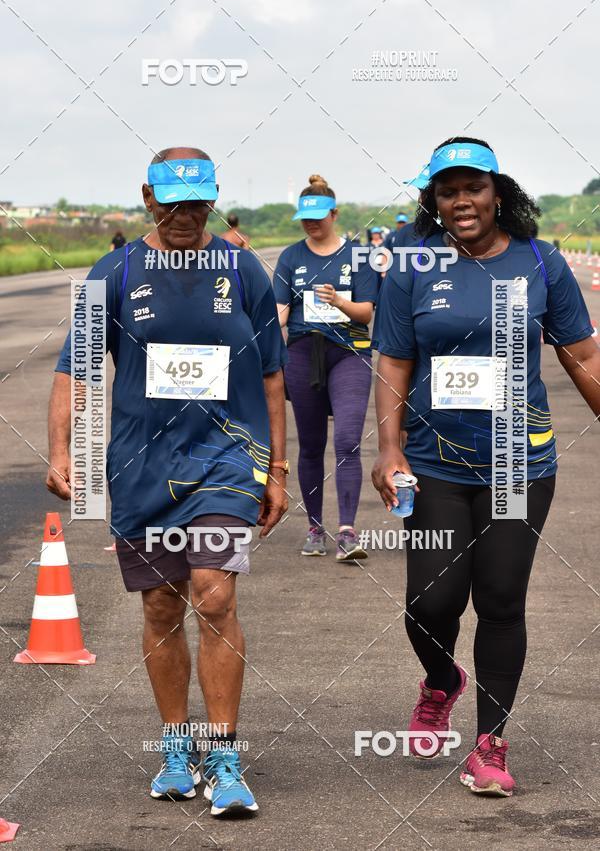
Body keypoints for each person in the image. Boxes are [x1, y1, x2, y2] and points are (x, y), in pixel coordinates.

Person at [47, 147, 288, 815]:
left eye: (197, 202)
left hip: (227, 461)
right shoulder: (118, 269)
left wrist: (278, 467)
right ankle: (177, 744)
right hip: (142, 466)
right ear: (148, 198)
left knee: (213, 594)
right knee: (160, 606)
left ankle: (226, 752)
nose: (184, 215)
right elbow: (77, 366)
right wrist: (60, 446)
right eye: (172, 202)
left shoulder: (242, 268)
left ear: (213, 200)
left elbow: (272, 375)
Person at [372, 137, 600, 796]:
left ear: (498, 192)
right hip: (434, 460)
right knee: (430, 601)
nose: (462, 201)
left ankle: (489, 745)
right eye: (449, 191)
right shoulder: (412, 267)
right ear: (433, 201)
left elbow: (581, 354)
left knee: (500, 599)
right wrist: (388, 450)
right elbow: (393, 360)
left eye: (474, 187)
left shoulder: (540, 261)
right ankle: (441, 680)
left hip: (517, 463)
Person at [274, 174, 379, 561]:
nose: (311, 223)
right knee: (311, 444)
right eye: (305, 217)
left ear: (334, 214)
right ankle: (315, 526)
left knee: (348, 440)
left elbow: (366, 313)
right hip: (303, 353)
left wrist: (339, 303)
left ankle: (348, 531)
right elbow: (281, 313)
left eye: (318, 216)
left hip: (349, 352)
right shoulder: (290, 257)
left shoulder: (358, 256)